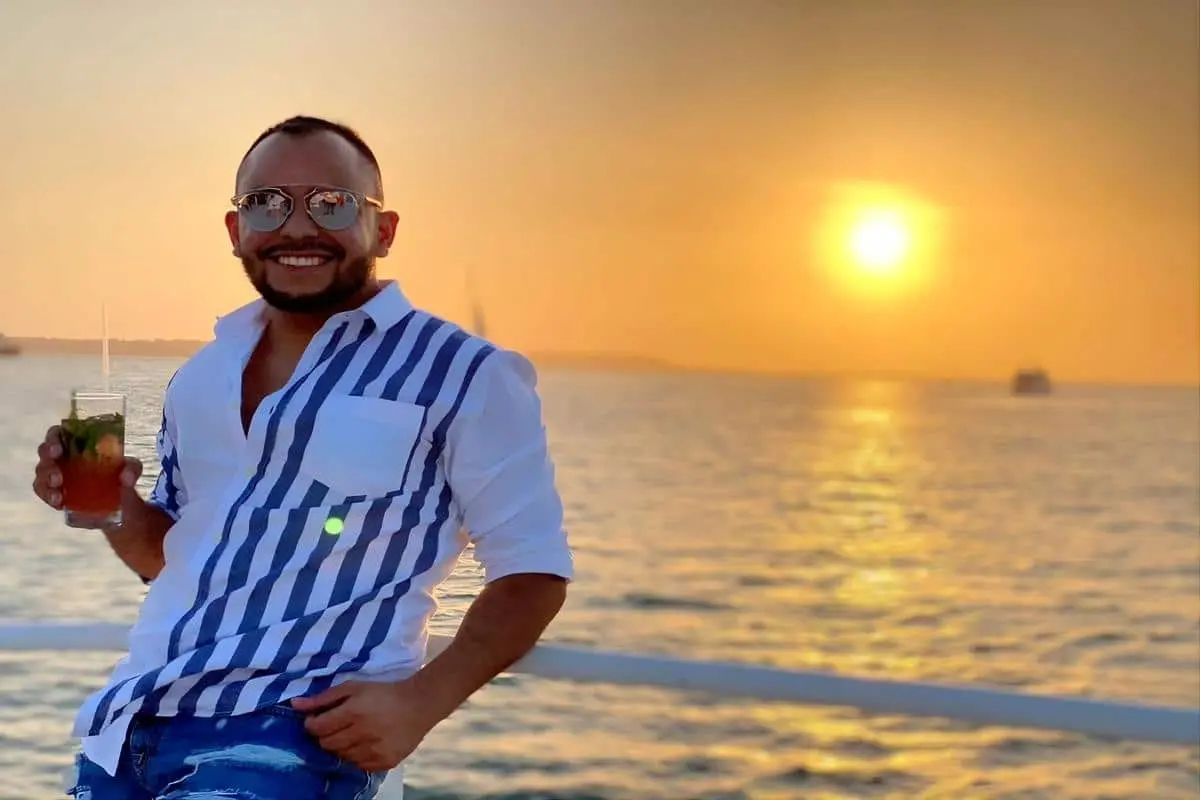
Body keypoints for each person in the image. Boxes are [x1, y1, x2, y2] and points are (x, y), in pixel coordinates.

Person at [33, 115, 573, 800]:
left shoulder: (467, 374)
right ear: (236, 230)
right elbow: (176, 559)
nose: (296, 227)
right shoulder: (201, 377)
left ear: (384, 230)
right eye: (267, 204)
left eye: (330, 203)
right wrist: (112, 506)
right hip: (129, 728)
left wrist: (421, 702)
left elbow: (533, 571)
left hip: (289, 737)